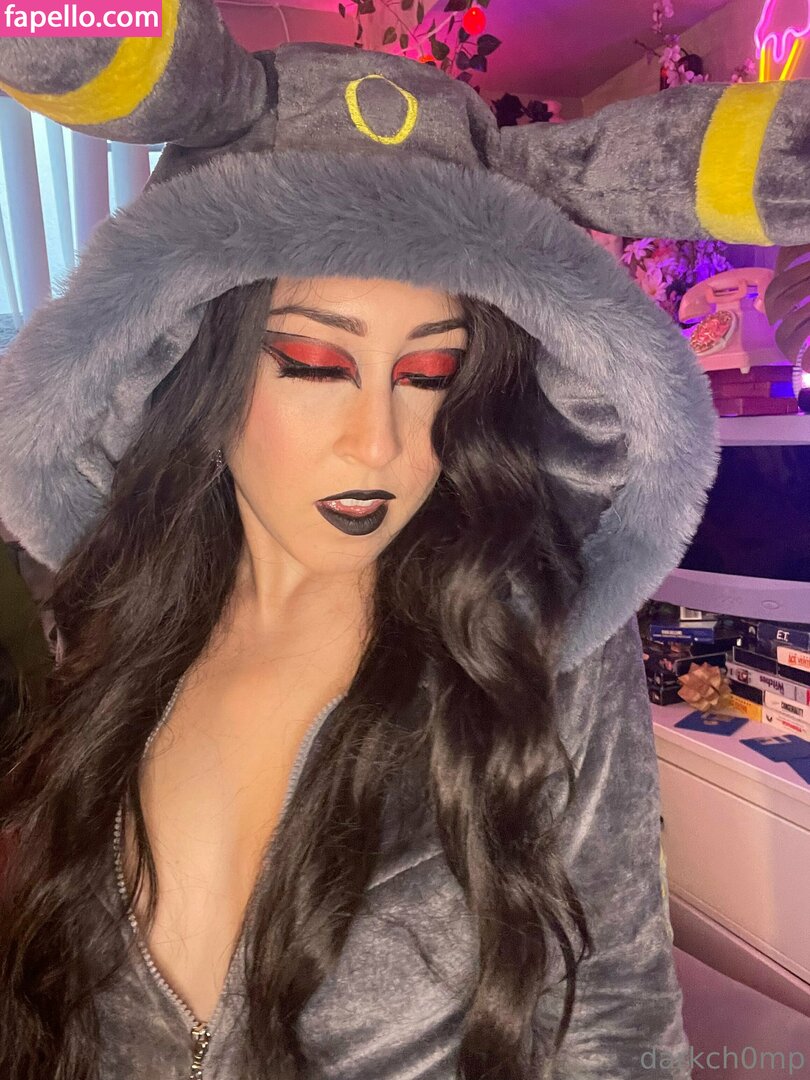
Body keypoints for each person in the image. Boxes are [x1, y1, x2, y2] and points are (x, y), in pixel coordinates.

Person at [0, 8, 809, 1079]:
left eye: (430, 374)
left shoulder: (534, 640)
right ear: (195, 356)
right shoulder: (113, 611)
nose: (380, 443)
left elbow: (618, 1021)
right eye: (314, 364)